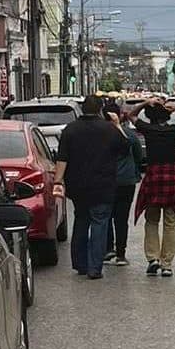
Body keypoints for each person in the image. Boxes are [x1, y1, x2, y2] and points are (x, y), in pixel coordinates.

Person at [52, 94, 130, 279]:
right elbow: (126, 148)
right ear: (100, 109)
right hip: (103, 186)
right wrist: (117, 125)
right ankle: (95, 267)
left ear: (82, 109)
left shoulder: (70, 130)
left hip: (77, 186)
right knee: (100, 224)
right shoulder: (108, 130)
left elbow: (62, 158)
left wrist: (57, 181)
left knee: (81, 221)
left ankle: (80, 264)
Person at [132, 97, 175, 277]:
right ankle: (167, 264)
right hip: (172, 177)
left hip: (154, 178)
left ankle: (153, 259)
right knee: (171, 222)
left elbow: (131, 115)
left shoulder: (148, 129)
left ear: (150, 117)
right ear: (167, 116)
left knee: (151, 220)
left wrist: (145, 102)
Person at [107, 109, 145, 266]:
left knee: (105, 217)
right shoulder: (129, 134)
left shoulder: (102, 136)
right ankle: (121, 254)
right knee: (121, 219)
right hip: (126, 181)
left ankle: (108, 249)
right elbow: (138, 156)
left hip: (106, 181)